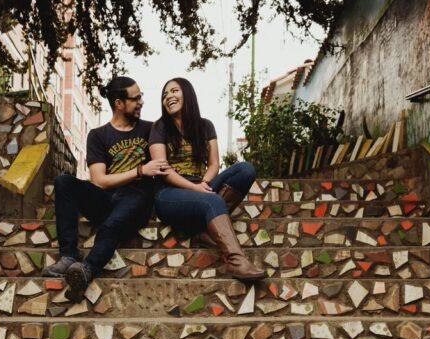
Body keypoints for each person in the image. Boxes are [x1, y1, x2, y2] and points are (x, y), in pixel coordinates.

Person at [42, 76, 171, 301]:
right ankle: (69, 256)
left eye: (141, 96)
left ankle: (87, 269)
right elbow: (99, 181)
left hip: (137, 198)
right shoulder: (98, 135)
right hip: (106, 197)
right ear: (119, 103)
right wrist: (140, 170)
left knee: (112, 224)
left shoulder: (151, 129)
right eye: (135, 98)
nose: (141, 102)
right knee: (64, 182)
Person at [149, 77, 266, 281]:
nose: (168, 96)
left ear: (187, 93)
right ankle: (236, 262)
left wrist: (203, 184)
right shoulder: (159, 127)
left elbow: (213, 164)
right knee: (212, 200)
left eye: (174, 91)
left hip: (201, 185)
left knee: (245, 170)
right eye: (165, 94)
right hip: (168, 193)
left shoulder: (205, 126)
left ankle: (204, 231)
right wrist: (195, 188)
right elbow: (163, 169)